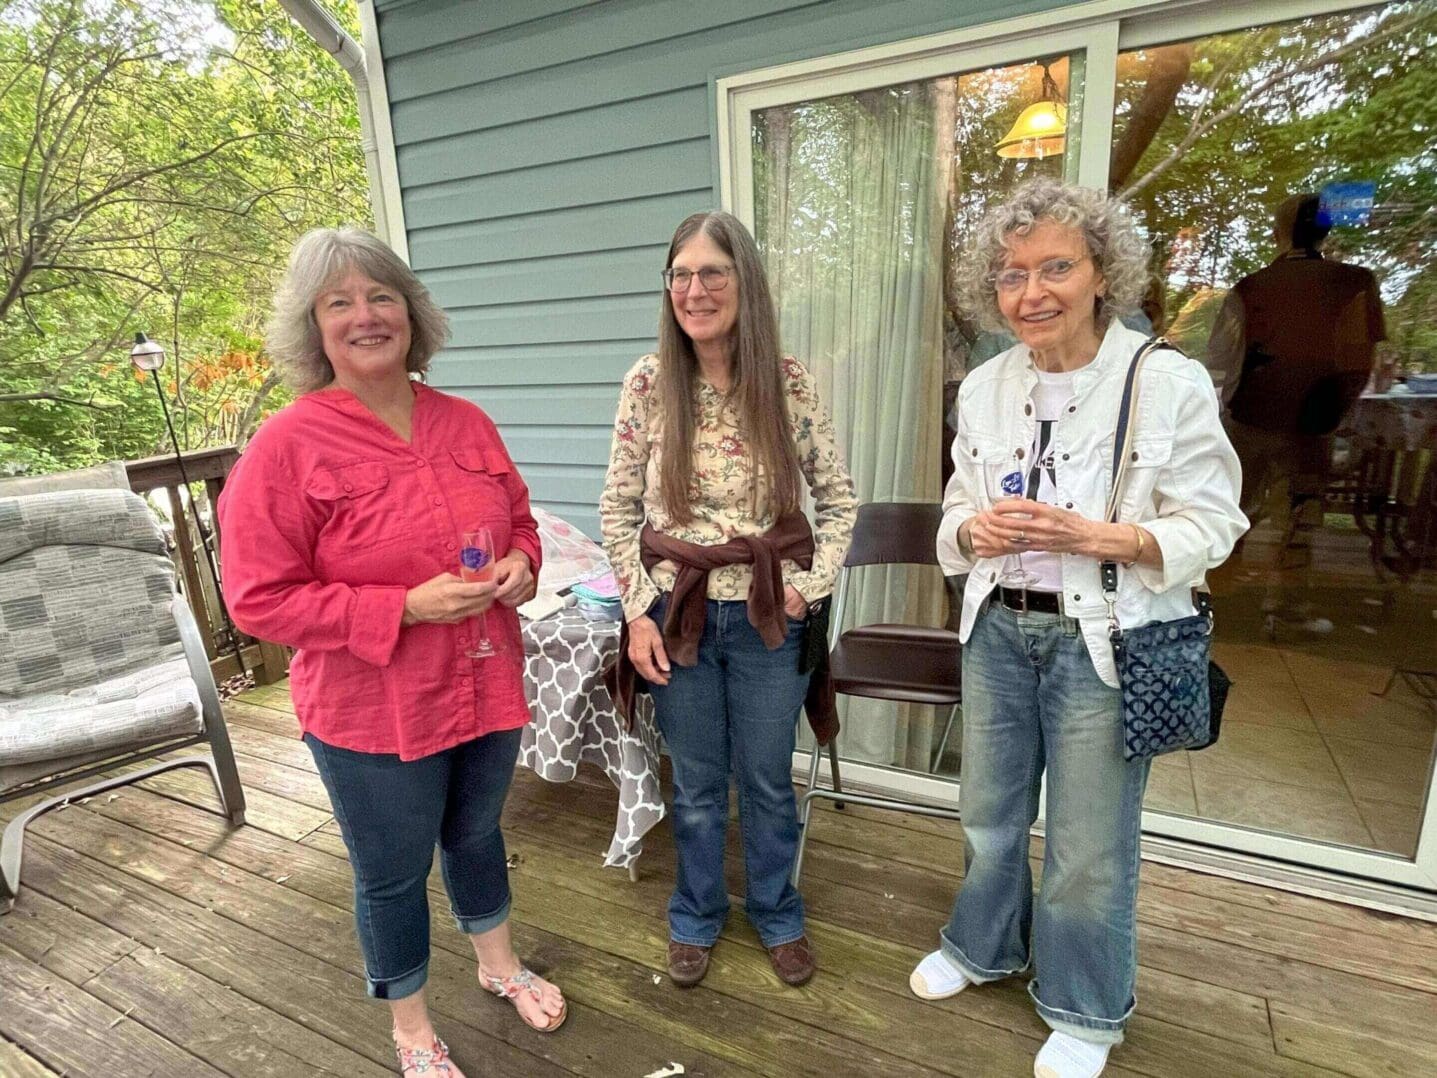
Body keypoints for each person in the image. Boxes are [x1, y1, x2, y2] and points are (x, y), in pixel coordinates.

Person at [911, 179, 1246, 1078]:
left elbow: (1216, 524)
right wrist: (969, 531)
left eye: (1056, 266)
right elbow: (954, 516)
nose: (1033, 292)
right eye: (1014, 274)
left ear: (1103, 273)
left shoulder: (1162, 380)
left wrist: (1101, 536)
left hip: (1103, 639)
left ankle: (1084, 1007)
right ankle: (983, 946)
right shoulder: (983, 388)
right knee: (987, 814)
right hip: (996, 631)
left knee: (1089, 845)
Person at [218, 227, 566, 1078]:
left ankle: (498, 965)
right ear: (315, 328)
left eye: (381, 296)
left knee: (478, 834)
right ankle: (411, 1029)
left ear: (411, 313)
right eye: (340, 302)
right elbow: (257, 599)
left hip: (485, 683)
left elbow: (518, 518)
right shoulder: (286, 446)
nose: (366, 316)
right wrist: (401, 607)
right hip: (374, 710)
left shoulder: (464, 420)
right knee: (391, 873)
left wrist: (524, 560)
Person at [599, 210, 856, 990]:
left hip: (767, 617)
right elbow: (617, 511)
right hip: (677, 617)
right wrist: (639, 610)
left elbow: (838, 502)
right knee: (701, 783)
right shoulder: (647, 381)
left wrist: (809, 592)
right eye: (680, 273)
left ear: (745, 282)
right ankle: (696, 915)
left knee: (769, 780)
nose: (695, 288)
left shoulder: (787, 382)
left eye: (713, 272)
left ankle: (777, 912)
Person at [1208, 192, 1387, 523]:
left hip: (1252, 420)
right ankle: (1296, 559)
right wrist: (1333, 412)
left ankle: (1232, 565)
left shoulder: (1249, 288)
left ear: (1276, 234)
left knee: (1234, 513)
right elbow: (1360, 363)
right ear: (1326, 234)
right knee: (1302, 519)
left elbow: (1218, 359)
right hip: (1318, 423)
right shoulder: (1358, 283)